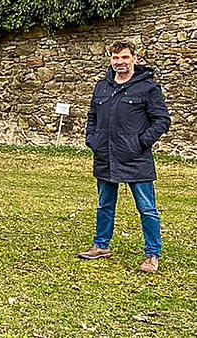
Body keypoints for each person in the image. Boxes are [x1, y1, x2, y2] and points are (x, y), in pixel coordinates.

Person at [79, 40, 170, 273]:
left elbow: (161, 121)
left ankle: (152, 255)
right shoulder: (102, 87)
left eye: (125, 57)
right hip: (105, 155)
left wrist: (140, 142)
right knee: (104, 205)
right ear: (111, 60)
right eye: (116, 58)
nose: (120, 62)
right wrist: (93, 139)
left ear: (134, 59)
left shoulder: (147, 88)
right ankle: (101, 245)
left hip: (135, 157)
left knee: (147, 208)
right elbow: (92, 116)